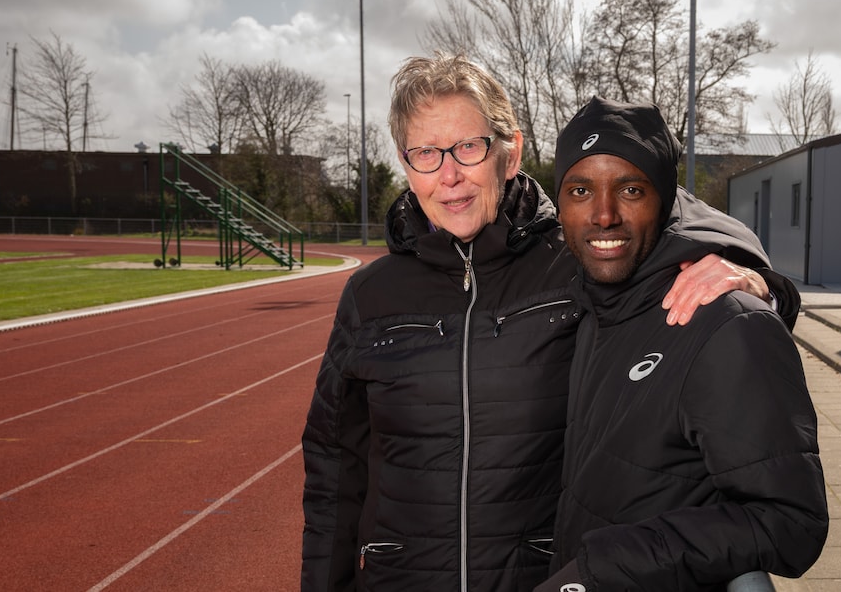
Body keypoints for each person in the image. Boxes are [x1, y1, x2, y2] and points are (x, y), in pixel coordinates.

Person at [300, 54, 800, 592]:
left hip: (546, 576)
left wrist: (757, 278)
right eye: (425, 153)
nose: (448, 175)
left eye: (468, 147)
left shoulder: (580, 258)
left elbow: (657, 200)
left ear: (509, 153)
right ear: (406, 164)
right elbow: (334, 464)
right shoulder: (369, 295)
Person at [536, 96, 829, 591]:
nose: (603, 215)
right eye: (580, 190)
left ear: (666, 199)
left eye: (631, 189)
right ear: (560, 203)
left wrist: (604, 567)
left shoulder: (727, 323)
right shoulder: (593, 308)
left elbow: (791, 521)